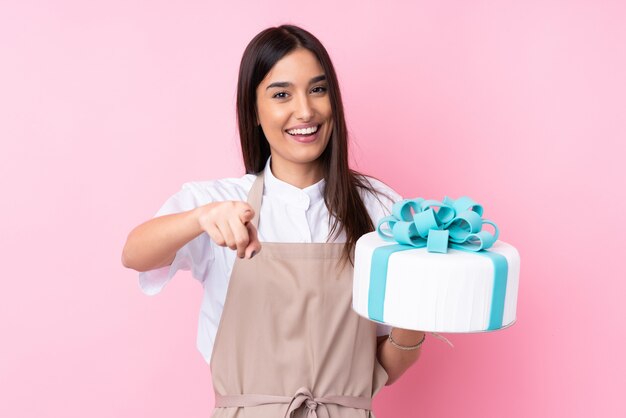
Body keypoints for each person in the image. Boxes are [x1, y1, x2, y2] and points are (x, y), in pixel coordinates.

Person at [122, 24, 426, 418]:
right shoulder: (216, 202)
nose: (305, 110)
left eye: (318, 89)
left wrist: (419, 310)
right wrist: (201, 218)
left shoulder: (381, 209)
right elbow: (135, 254)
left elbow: (388, 365)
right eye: (282, 94)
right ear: (253, 112)